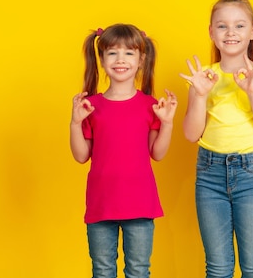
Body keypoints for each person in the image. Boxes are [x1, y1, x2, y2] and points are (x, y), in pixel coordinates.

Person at [180, 0, 253, 278]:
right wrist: (200, 95)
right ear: (211, 32)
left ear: (252, 32)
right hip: (209, 174)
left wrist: (252, 92)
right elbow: (191, 134)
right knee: (218, 268)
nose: (230, 32)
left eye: (239, 25)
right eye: (222, 26)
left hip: (252, 174)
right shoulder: (204, 77)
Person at [70, 23, 178, 278]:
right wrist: (75, 122)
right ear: (102, 59)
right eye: (112, 53)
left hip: (140, 203)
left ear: (141, 59)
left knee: (138, 270)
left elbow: (158, 153)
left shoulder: (151, 106)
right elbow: (80, 155)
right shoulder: (90, 106)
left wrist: (168, 122)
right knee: (102, 270)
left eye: (129, 53)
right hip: (101, 203)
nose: (121, 60)